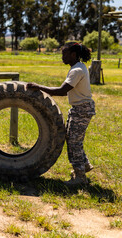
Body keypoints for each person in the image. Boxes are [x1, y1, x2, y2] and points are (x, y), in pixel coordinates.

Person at [27, 42, 95, 185]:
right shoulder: (78, 67)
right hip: (79, 108)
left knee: (73, 142)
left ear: (73, 55)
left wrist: (38, 87)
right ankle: (85, 165)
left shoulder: (77, 70)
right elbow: (67, 92)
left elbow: (62, 91)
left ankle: (80, 177)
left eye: (64, 54)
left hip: (82, 109)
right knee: (73, 139)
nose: (62, 57)